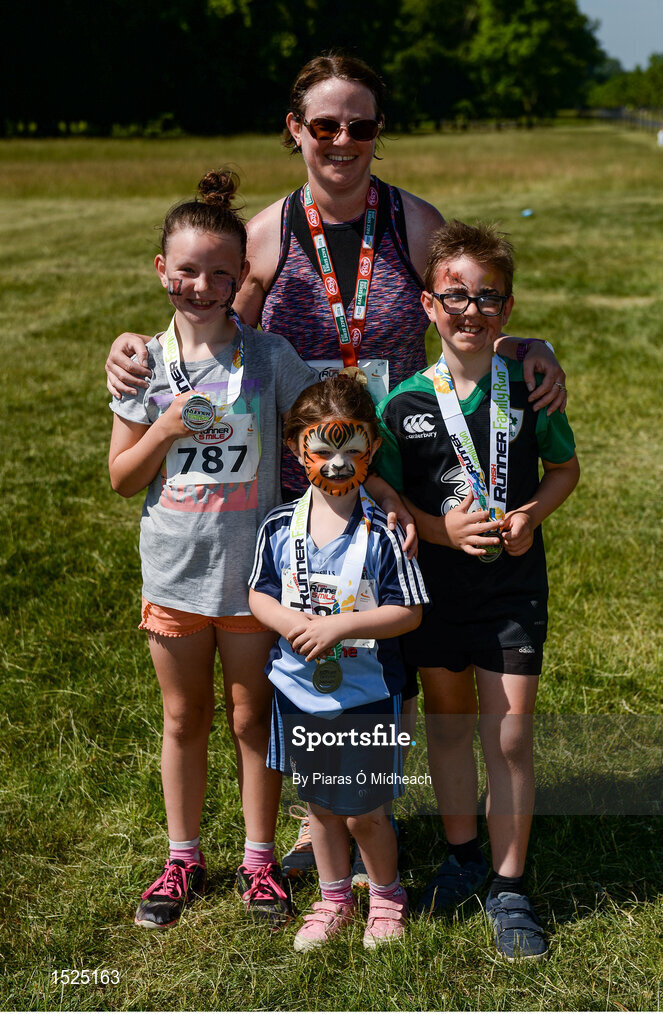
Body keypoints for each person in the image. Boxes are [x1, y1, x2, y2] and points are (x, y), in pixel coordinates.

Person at [104, 53, 568, 877]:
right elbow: (209, 332)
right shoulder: (267, 234)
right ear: (297, 132)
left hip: (397, 467)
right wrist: (131, 350)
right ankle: (323, 821)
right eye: (325, 125)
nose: (343, 139)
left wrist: (530, 345)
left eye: (360, 125)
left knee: (381, 651)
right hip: (295, 483)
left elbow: (467, 298)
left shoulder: (411, 221)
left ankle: (365, 815)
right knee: (309, 651)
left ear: (378, 135)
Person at [108, 169, 317, 929]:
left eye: (219, 273)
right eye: (187, 270)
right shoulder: (142, 363)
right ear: (161, 269)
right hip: (173, 574)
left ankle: (259, 865)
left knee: (251, 715)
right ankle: (184, 856)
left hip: (252, 580)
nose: (201, 285)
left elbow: (321, 421)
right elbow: (122, 478)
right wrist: (162, 427)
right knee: (182, 717)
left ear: (242, 279)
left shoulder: (268, 357)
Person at [377, 220, 579, 959]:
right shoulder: (403, 402)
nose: (470, 311)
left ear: (509, 308)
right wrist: (438, 532)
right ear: (428, 305)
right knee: (450, 723)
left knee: (511, 732)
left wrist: (530, 513)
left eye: (487, 298)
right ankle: (462, 854)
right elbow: (387, 495)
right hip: (433, 590)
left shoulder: (527, 389)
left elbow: (564, 469)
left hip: (512, 587)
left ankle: (509, 882)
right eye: (454, 297)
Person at [248, 375, 428, 950]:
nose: (335, 462)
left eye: (351, 450)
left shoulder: (384, 533)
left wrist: (342, 626)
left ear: (372, 449)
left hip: (366, 695)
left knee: (366, 812)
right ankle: (333, 899)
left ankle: (386, 896)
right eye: (322, 449)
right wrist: (288, 624)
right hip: (300, 694)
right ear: (298, 449)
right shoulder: (279, 526)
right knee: (322, 808)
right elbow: (259, 594)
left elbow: (410, 612)